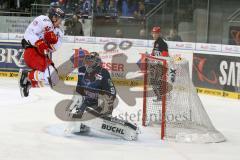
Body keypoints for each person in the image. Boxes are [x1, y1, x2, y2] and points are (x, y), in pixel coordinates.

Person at [19, 7, 65, 97]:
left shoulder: (59, 31)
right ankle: (27, 76)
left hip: (41, 55)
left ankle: (29, 82)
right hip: (31, 51)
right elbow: (28, 34)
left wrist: (47, 44)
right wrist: (39, 42)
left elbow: (54, 48)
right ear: (54, 17)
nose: (61, 22)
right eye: (60, 19)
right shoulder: (43, 20)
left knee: (54, 77)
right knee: (50, 75)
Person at [72, 52, 116, 118]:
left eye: (91, 62)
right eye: (87, 62)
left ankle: (106, 115)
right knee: (77, 96)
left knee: (105, 98)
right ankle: (80, 113)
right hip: (87, 100)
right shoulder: (82, 70)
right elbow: (79, 87)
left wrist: (109, 104)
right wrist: (78, 101)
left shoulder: (103, 72)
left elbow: (112, 90)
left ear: (97, 63)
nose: (88, 64)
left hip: (100, 101)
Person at [150, 26, 169, 101]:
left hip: (161, 66)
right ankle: (161, 96)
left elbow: (165, 55)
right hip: (157, 66)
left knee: (155, 82)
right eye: (153, 33)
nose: (154, 35)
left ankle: (161, 97)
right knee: (154, 82)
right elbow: (153, 53)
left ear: (159, 34)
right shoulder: (155, 42)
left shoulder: (162, 43)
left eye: (156, 33)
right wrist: (150, 56)